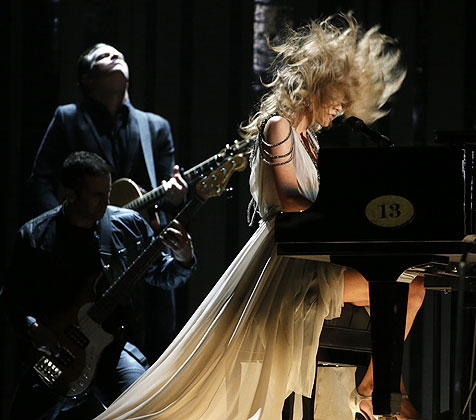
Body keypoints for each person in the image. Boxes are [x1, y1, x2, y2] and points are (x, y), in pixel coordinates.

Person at [92, 13, 424, 420]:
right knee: (408, 289)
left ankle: (378, 382)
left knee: (410, 287)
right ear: (318, 86)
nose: (341, 110)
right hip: (290, 268)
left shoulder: (311, 142)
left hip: (312, 261)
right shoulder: (278, 128)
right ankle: (377, 386)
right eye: (338, 97)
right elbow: (292, 202)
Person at [1, 151, 196, 420]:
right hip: (58, 352)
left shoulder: (127, 226)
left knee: (145, 408)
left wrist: (184, 258)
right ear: (71, 194)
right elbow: (13, 297)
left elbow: (163, 276)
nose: (106, 202)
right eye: (97, 195)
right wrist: (34, 328)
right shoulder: (35, 235)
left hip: (113, 349)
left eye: (108, 193)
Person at [27, 42, 189, 363]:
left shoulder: (154, 127)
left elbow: (166, 203)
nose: (116, 56)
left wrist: (177, 197)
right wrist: (62, 229)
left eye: (120, 55)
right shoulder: (68, 118)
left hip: (140, 255)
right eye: (104, 55)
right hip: (83, 256)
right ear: (87, 78)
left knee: (154, 348)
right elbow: (40, 181)